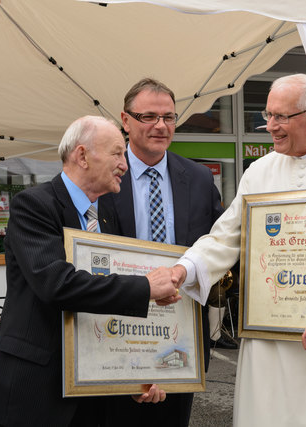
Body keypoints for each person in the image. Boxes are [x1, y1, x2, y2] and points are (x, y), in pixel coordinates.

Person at [173, 74, 306, 425]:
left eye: (281, 117)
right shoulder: (258, 172)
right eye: (267, 115)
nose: (270, 126)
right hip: (270, 339)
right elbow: (226, 237)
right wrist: (184, 269)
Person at [0, 116, 179, 427]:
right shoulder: (33, 205)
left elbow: (107, 297)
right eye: (117, 154)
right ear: (82, 155)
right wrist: (145, 287)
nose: (124, 164)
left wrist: (135, 375)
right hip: (35, 392)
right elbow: (57, 285)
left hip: (92, 393)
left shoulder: (107, 214)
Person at [106, 78, 227, 426]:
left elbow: (219, 242)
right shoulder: (104, 173)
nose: (161, 125)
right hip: (117, 326)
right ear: (125, 121)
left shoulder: (200, 178)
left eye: (169, 117)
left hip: (182, 329)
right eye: (148, 116)